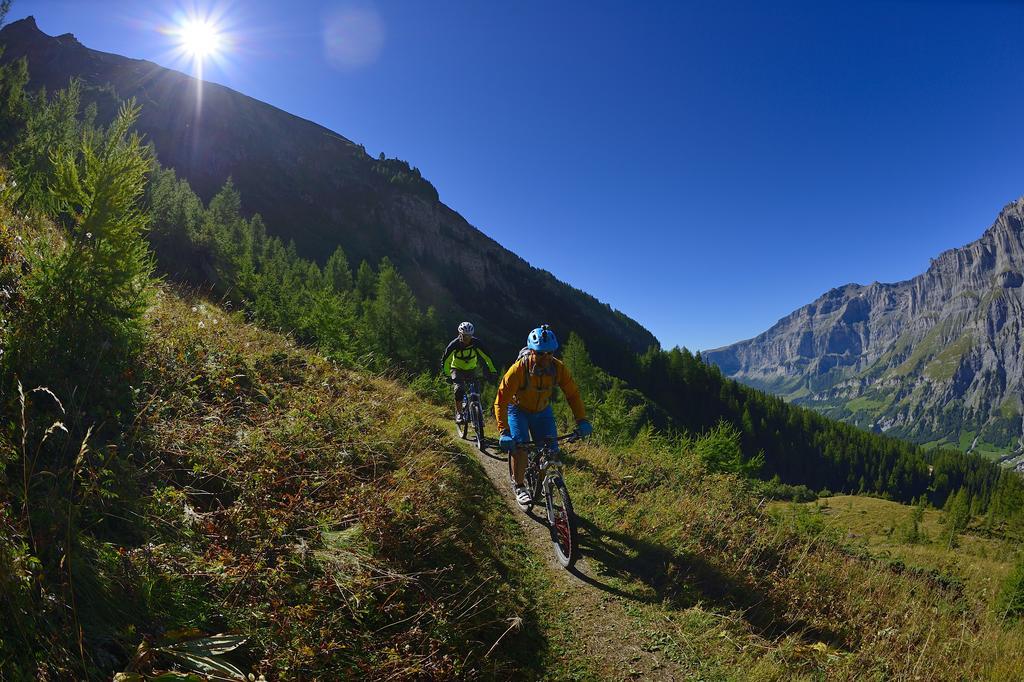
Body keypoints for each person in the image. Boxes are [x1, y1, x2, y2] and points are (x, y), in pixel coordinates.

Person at [494, 325, 593, 505]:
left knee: (551, 452)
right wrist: (503, 431)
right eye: (540, 353)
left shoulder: (558, 368)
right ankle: (519, 485)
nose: (546, 357)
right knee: (521, 447)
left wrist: (582, 420)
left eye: (550, 353)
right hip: (518, 410)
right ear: (532, 351)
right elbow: (500, 401)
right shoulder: (518, 370)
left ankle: (544, 484)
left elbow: (572, 395)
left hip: (543, 411)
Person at [441, 321, 498, 424]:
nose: (467, 339)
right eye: (464, 336)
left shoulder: (476, 343)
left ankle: (478, 413)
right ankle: (459, 414)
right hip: (457, 369)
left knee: (476, 391)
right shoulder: (454, 345)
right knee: (459, 389)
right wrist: (447, 375)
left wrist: (493, 371)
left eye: (469, 336)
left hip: (471, 369)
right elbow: (446, 360)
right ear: (460, 334)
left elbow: (487, 357)